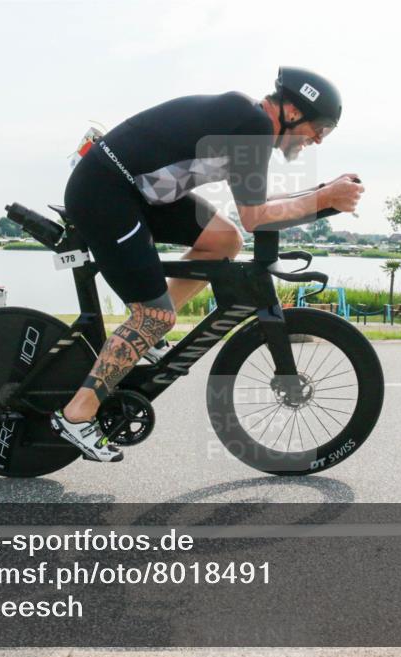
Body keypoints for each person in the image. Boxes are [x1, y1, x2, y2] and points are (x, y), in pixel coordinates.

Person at [52, 66, 365, 462]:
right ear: (291, 110)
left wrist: (324, 195)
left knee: (224, 240)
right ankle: (77, 414)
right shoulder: (252, 124)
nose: (318, 139)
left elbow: (256, 212)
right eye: (319, 127)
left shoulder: (250, 126)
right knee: (155, 316)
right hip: (106, 190)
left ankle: (142, 338)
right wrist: (325, 199)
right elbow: (256, 216)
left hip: (141, 192)